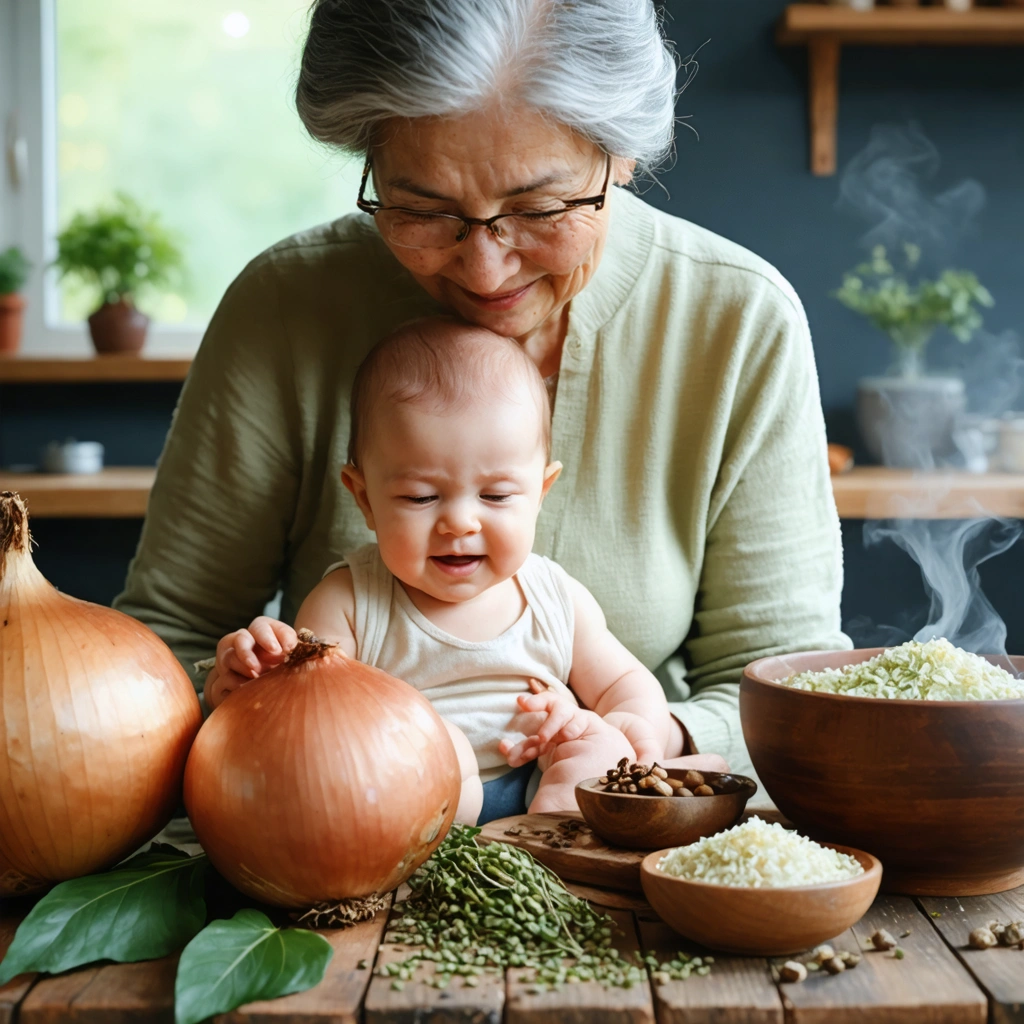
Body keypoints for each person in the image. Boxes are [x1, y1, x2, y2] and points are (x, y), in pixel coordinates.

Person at [115, 0, 848, 818]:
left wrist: (632, 741)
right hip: (350, 820)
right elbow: (166, 644)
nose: (487, 270)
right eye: (423, 209)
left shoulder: (735, 319)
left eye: (539, 210)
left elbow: (786, 685)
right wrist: (250, 704)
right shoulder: (285, 306)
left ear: (624, 157)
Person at [206, 318, 692, 823]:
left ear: (540, 495)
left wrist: (633, 727)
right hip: (415, 800)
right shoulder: (349, 602)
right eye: (422, 497)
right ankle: (466, 851)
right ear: (365, 499)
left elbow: (622, 682)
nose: (460, 522)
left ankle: (553, 845)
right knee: (442, 744)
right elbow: (310, 716)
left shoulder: (554, 597)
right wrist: (255, 678)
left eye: (497, 496)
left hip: (538, 782)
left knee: (595, 742)